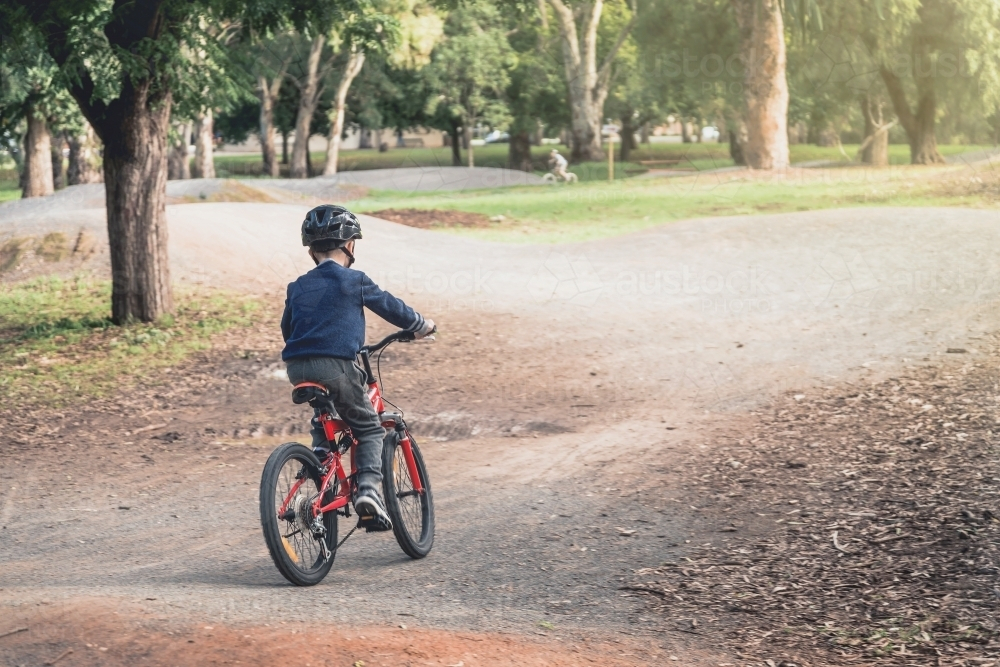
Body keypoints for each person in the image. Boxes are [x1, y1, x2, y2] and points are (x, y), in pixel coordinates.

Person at [281, 205, 435, 532]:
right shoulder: (355, 280)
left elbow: (288, 328)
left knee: (325, 412)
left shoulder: (296, 286)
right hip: (336, 365)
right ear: (350, 246)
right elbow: (393, 308)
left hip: (296, 366)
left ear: (311, 251)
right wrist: (421, 325)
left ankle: (321, 462)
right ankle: (368, 491)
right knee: (368, 427)